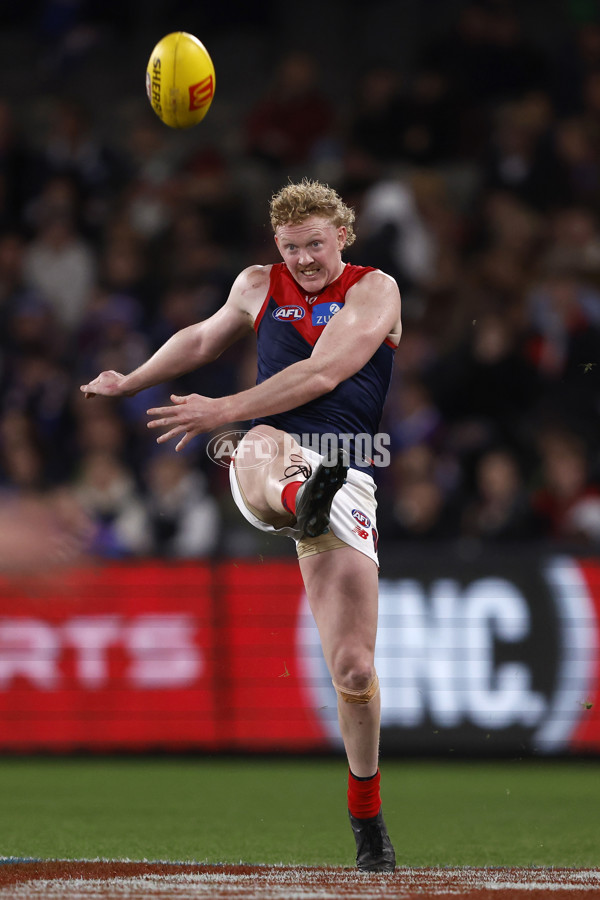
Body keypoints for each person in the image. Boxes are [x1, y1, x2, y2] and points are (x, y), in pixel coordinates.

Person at [80, 179, 401, 873]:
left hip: (348, 470)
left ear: (342, 234)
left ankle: (367, 815)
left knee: (352, 668)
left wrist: (219, 408)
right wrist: (131, 379)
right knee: (256, 443)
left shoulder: (376, 290)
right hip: (275, 456)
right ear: (275, 246)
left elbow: (326, 372)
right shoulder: (258, 284)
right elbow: (201, 337)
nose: (306, 259)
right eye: (292, 248)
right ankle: (295, 497)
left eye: (316, 244)